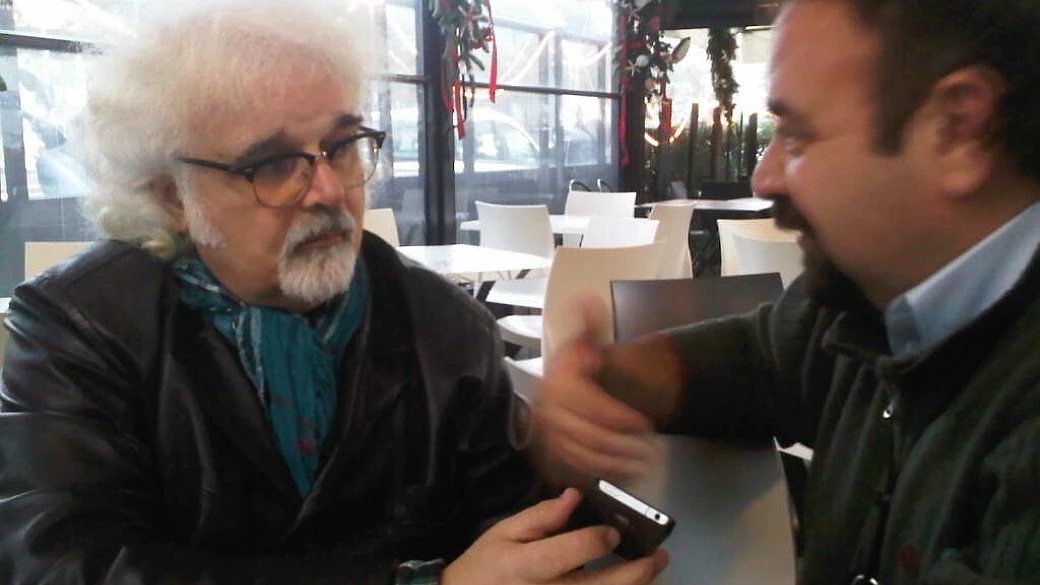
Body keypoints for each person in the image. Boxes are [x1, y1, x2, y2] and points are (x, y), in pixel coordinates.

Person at [0, 1, 667, 584]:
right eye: (271, 162)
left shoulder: (446, 327)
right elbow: (58, 565)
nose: (328, 191)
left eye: (343, 145)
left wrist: (562, 474)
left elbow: (507, 531)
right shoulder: (78, 327)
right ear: (171, 195)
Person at [535, 0, 1040, 584]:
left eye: (797, 135)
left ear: (958, 129)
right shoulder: (879, 302)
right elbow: (757, 357)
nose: (764, 177)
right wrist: (600, 380)